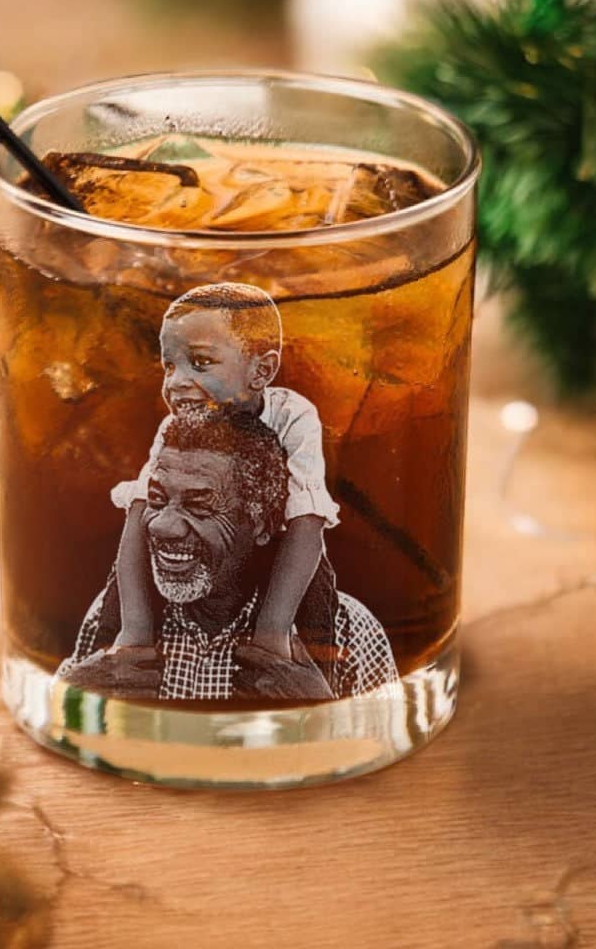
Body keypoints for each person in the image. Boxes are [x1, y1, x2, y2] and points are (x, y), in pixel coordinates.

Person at [60, 410, 398, 701]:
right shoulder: (115, 614)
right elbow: (62, 713)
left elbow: (386, 738)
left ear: (262, 525)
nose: (163, 526)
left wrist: (321, 710)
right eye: (158, 500)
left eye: (200, 506)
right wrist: (72, 694)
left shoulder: (347, 628)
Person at [110, 282, 339, 662]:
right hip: (206, 557)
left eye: (200, 362)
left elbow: (307, 519)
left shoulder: (292, 416)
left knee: (318, 596)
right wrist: (134, 630)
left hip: (278, 552)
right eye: (169, 365)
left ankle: (316, 688)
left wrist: (271, 632)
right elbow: (139, 510)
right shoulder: (177, 428)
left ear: (261, 370)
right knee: (116, 595)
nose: (176, 381)